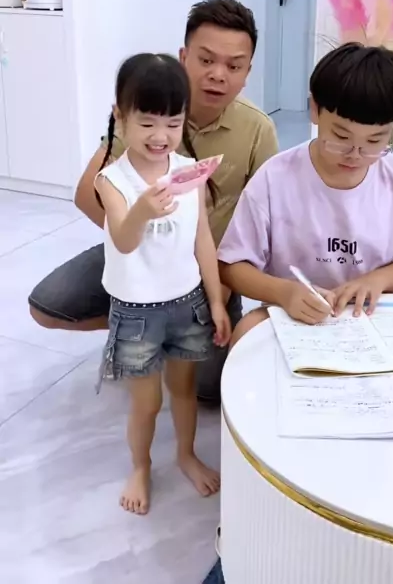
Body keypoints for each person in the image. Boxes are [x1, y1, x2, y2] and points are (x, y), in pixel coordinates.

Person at [28, 0, 278, 402]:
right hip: (139, 251)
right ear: (183, 57)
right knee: (48, 304)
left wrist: (223, 279)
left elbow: (265, 220)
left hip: (207, 270)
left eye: (234, 66)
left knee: (209, 390)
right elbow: (87, 194)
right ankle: (139, 326)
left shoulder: (258, 130)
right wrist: (138, 241)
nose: (218, 75)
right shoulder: (145, 112)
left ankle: (160, 330)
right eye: (206, 60)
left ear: (247, 72)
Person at [218, 43, 393, 343]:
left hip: (373, 315)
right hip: (295, 314)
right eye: (340, 136)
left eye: (374, 141)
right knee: (246, 332)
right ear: (314, 109)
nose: (355, 154)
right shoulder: (275, 178)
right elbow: (231, 266)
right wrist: (284, 292)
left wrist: (377, 280)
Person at [95, 52, 231, 514]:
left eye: (172, 123)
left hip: (186, 303)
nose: (160, 136)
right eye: (147, 122)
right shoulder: (112, 180)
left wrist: (215, 302)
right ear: (120, 116)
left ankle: (186, 455)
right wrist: (142, 210)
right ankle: (140, 466)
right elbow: (124, 240)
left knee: (184, 390)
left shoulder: (189, 171)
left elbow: (203, 240)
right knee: (147, 403)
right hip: (136, 311)